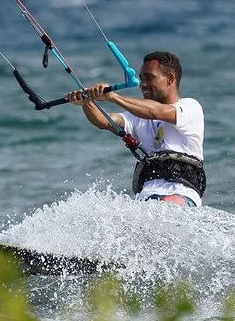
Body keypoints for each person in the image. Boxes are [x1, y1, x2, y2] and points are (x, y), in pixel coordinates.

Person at [66, 51, 206, 207]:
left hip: (180, 194)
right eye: (141, 78)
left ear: (170, 79)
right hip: (145, 199)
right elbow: (105, 121)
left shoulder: (190, 107)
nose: (142, 84)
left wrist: (113, 97)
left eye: (149, 77)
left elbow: (156, 111)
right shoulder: (137, 117)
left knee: (163, 208)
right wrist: (86, 103)